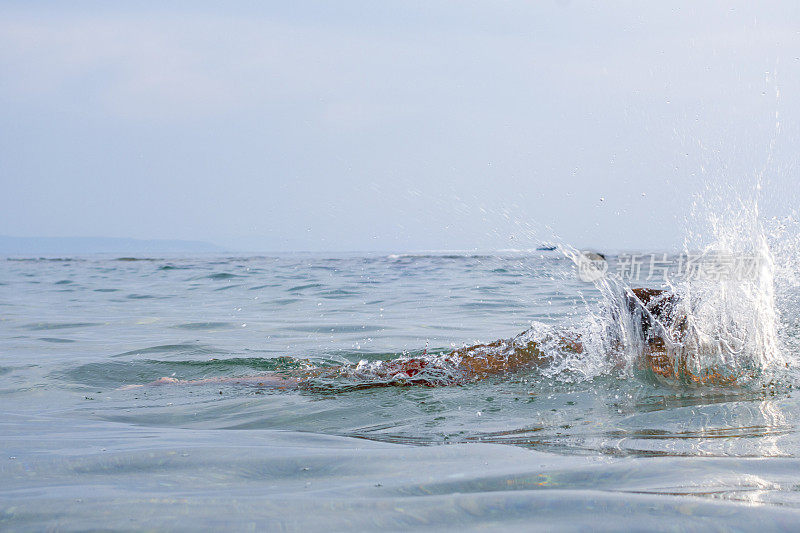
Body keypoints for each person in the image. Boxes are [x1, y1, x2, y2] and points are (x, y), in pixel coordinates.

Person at [135, 288, 739, 390]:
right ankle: (200, 380)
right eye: (683, 334)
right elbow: (676, 378)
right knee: (327, 384)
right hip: (446, 374)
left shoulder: (599, 347)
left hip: (450, 369)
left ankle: (205, 380)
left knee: (332, 382)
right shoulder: (601, 354)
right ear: (658, 338)